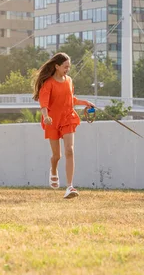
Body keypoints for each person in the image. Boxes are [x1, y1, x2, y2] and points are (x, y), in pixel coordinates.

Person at [32, 52, 94, 199]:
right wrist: (46, 117)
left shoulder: (69, 81)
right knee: (56, 155)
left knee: (70, 151)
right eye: (65, 67)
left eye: (69, 67)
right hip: (52, 121)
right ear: (57, 66)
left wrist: (85, 102)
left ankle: (69, 186)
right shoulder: (48, 84)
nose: (68, 69)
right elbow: (44, 104)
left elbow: (69, 99)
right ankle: (53, 170)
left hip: (67, 118)